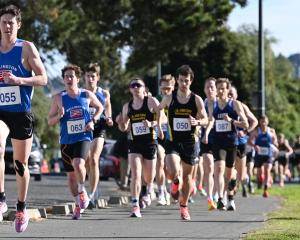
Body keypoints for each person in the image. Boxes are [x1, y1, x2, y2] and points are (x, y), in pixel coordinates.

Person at [0, 5, 47, 232]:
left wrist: (19, 80)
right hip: (0, 111)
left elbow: (43, 78)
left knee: (20, 165)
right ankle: (1, 198)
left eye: (11, 22)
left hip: (21, 113)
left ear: (18, 25)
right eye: (3, 22)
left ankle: (21, 207)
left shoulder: (26, 48)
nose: (7, 26)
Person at [48, 64, 103, 219]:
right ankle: (78, 202)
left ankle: (82, 189)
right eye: (66, 76)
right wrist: (59, 115)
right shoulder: (59, 98)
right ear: (63, 80)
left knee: (79, 164)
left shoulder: (86, 95)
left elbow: (99, 108)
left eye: (72, 76)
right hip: (66, 141)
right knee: (71, 176)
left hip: (83, 137)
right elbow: (49, 121)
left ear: (78, 79)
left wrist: (93, 120)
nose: (69, 79)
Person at [158, 65, 208, 220]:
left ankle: (184, 207)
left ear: (191, 81)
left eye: (186, 81)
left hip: (190, 143)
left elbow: (206, 119)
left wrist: (197, 122)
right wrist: (159, 125)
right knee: (173, 170)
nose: (183, 84)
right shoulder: (169, 98)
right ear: (177, 81)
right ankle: (174, 182)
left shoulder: (196, 99)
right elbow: (158, 109)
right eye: (181, 80)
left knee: (187, 178)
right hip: (173, 141)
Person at [116, 78, 161, 218]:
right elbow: (124, 127)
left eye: (138, 85)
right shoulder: (127, 107)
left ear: (144, 88)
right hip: (134, 143)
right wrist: (121, 124)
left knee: (149, 175)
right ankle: (135, 205)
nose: (136, 88)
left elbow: (163, 118)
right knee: (135, 174)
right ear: (130, 89)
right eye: (133, 85)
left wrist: (152, 123)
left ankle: (148, 189)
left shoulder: (151, 101)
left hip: (150, 142)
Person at [206, 78, 248, 211]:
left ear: (228, 89)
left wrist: (232, 121)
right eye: (218, 88)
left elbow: (246, 124)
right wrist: (205, 131)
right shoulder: (213, 104)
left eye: (223, 88)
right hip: (218, 142)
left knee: (229, 174)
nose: (220, 91)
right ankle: (219, 198)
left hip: (231, 142)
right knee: (218, 168)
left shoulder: (235, 104)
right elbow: (211, 120)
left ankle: (230, 197)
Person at [84, 63, 113, 208]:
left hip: (99, 128)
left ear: (98, 78)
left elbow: (108, 108)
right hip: (83, 129)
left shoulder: (104, 93)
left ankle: (93, 194)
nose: (90, 79)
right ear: (84, 77)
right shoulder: (80, 92)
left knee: (94, 159)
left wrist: (109, 118)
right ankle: (93, 186)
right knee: (87, 161)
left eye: (93, 76)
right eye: (88, 76)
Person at [228, 86, 258, 197]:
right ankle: (231, 188)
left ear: (236, 95)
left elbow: (254, 121)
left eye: (232, 93)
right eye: (228, 93)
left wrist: (246, 131)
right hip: (228, 141)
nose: (230, 95)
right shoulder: (223, 105)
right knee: (230, 168)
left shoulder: (241, 106)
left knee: (241, 174)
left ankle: (246, 181)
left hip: (241, 142)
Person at [156, 74, 175, 206]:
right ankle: (161, 192)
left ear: (173, 87)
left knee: (172, 169)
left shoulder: (178, 99)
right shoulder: (156, 100)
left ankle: (172, 187)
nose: (166, 91)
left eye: (168, 88)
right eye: (163, 88)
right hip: (160, 135)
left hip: (174, 137)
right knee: (160, 160)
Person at [248, 115, 278, 198]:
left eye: (265, 121)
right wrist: (254, 146)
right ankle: (261, 181)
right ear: (260, 122)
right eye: (262, 121)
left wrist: (275, 143)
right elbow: (249, 141)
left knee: (267, 170)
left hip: (268, 154)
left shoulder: (271, 131)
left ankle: (265, 190)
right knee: (259, 173)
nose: (264, 123)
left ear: (268, 122)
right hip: (259, 154)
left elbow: (275, 141)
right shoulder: (256, 131)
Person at [200, 77, 217, 210]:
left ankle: (219, 193)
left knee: (220, 170)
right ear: (204, 89)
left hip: (222, 140)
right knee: (209, 167)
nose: (210, 89)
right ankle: (210, 197)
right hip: (207, 140)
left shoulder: (221, 103)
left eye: (212, 87)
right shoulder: (202, 103)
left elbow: (211, 121)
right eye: (207, 87)